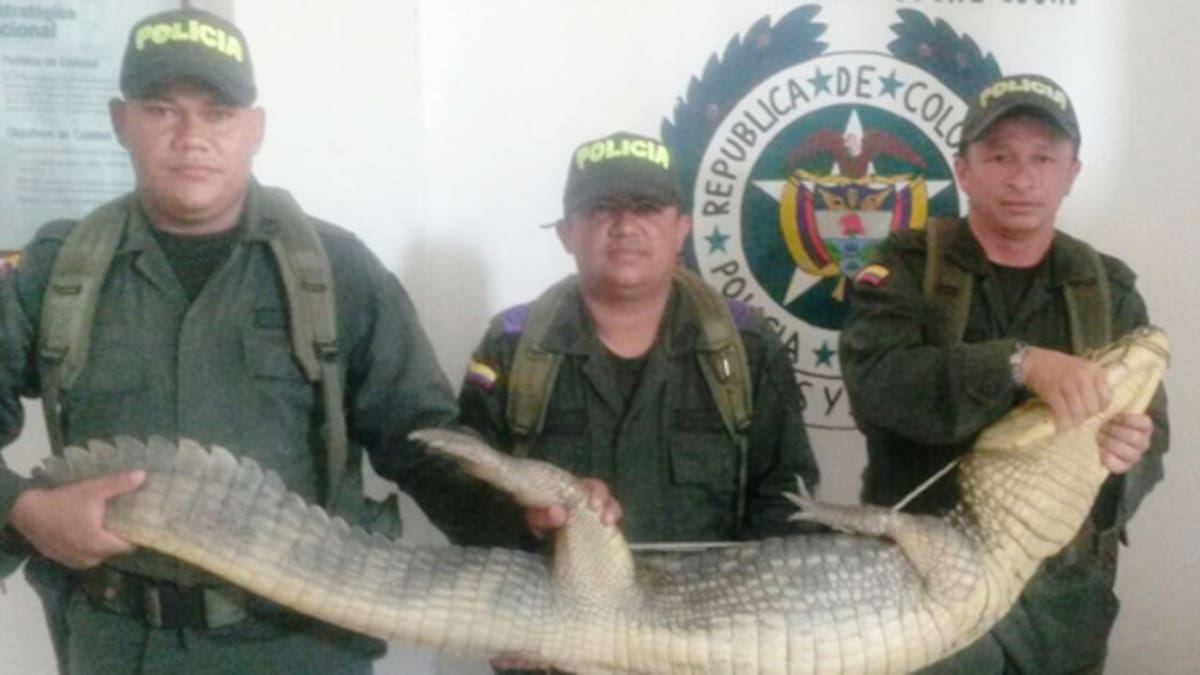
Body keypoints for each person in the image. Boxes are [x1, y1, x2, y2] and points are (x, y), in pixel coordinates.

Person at [0, 8, 554, 674]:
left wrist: (526, 526)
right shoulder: (57, 271)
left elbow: (423, 443)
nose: (191, 138)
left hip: (302, 646)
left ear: (255, 128)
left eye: (218, 113)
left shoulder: (339, 270)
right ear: (121, 121)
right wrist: (22, 508)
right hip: (118, 644)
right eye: (161, 110)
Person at [839, 73, 1169, 673]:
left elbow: (1152, 433)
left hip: (1061, 603)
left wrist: (1131, 451)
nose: (1022, 177)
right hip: (926, 589)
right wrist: (1018, 364)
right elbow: (877, 385)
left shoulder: (1107, 289)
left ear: (1071, 172)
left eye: (1043, 158)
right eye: (1001, 157)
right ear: (964, 172)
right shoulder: (906, 267)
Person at [458, 130, 821, 555]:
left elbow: (786, 499)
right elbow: (464, 495)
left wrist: (737, 583)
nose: (626, 226)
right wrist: (526, 521)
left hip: (710, 593)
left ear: (681, 229)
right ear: (566, 232)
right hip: (554, 591)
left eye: (646, 208)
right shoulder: (510, 348)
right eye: (601, 209)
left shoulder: (748, 345)